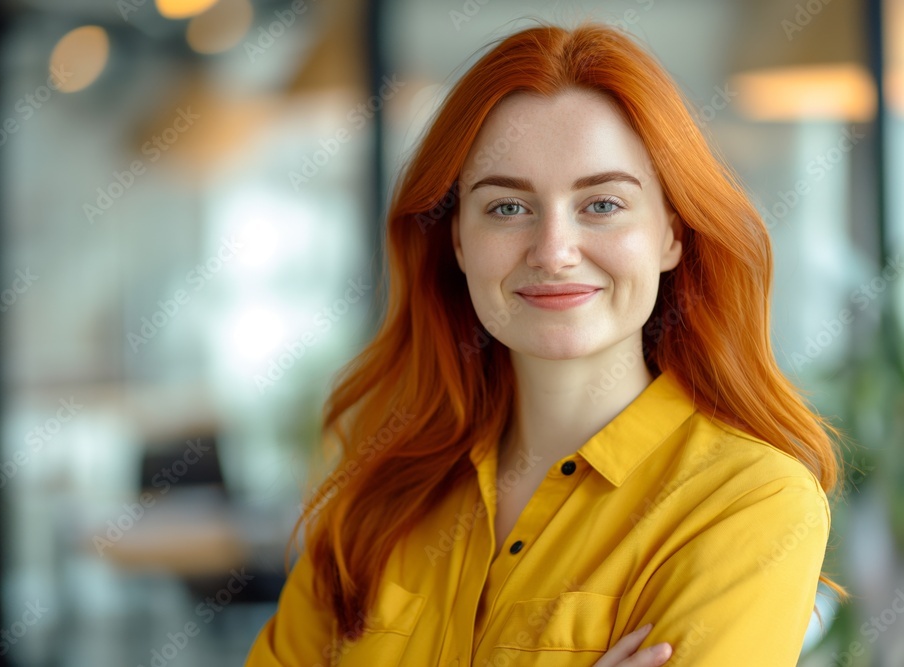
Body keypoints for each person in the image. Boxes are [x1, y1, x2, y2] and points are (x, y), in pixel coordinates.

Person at [245, 21, 847, 666]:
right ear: (457, 241)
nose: (554, 252)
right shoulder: (377, 501)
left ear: (671, 233)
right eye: (507, 207)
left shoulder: (747, 502)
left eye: (602, 204)